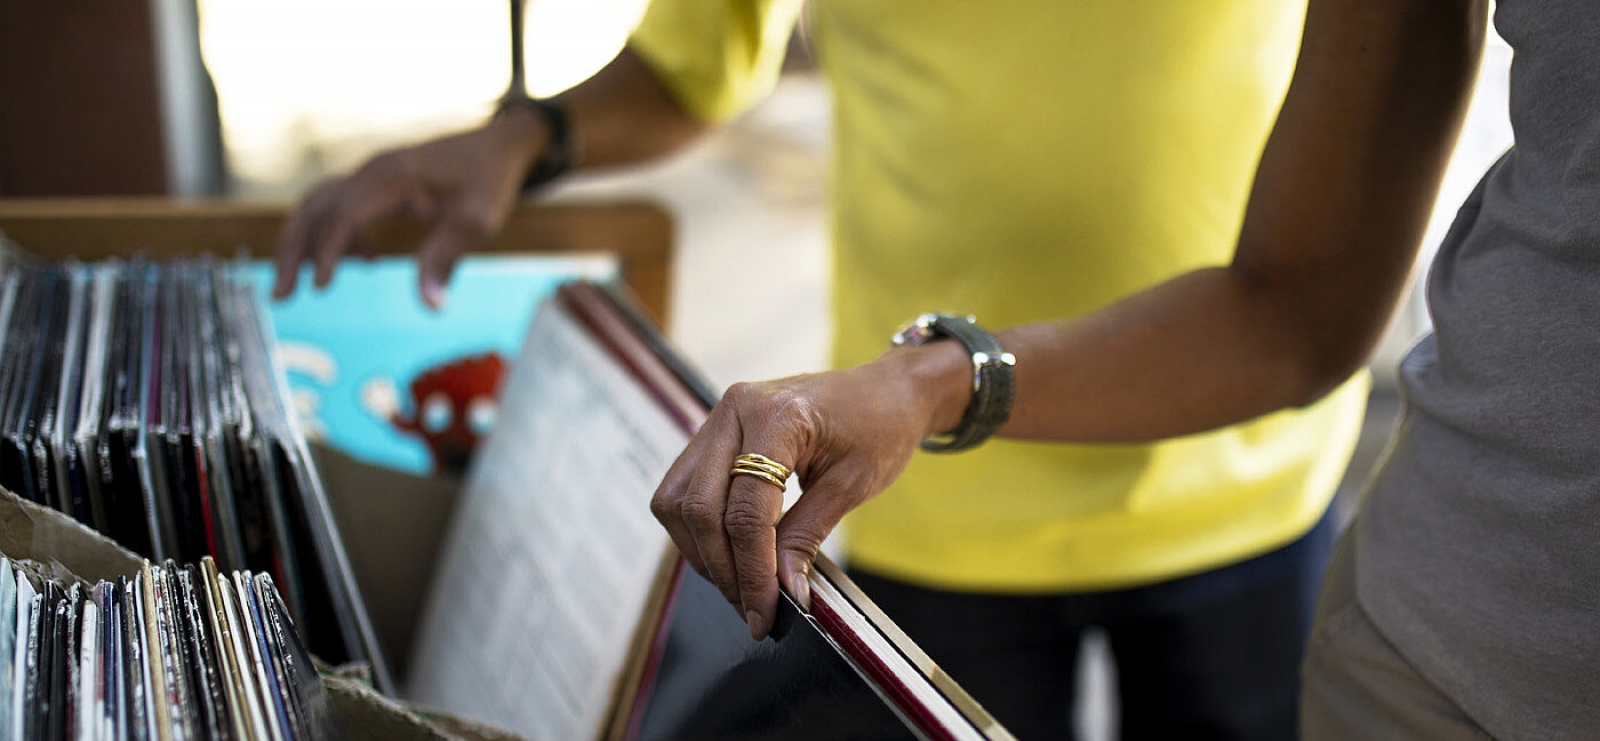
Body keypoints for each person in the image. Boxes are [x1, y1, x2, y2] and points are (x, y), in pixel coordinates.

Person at [275, 1, 1496, 739]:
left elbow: (1300, 308)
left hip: (1240, 471)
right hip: (924, 492)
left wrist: (931, 379)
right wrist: (527, 137)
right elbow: (696, 66)